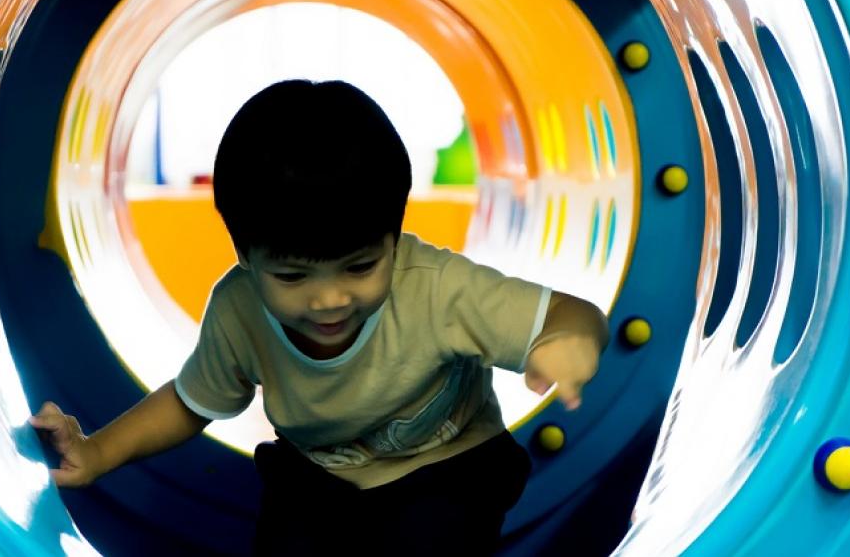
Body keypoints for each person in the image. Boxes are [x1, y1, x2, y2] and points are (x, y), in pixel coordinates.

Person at [30, 79, 609, 555]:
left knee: (427, 541)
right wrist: (98, 451)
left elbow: (570, 314)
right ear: (245, 257)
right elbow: (191, 401)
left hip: (447, 469)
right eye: (292, 277)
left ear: (393, 238)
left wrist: (565, 341)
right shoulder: (238, 308)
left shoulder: (437, 288)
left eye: (360, 267)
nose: (329, 299)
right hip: (317, 477)